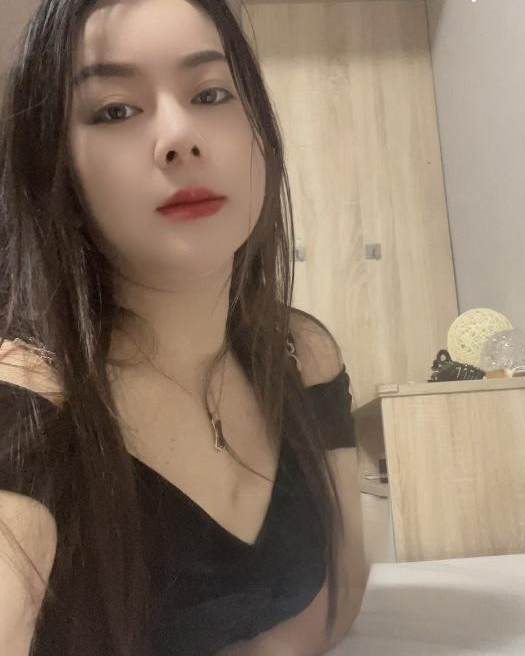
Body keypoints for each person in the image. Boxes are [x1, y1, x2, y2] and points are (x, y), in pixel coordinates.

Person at [0, 0, 368, 654]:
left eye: (211, 93)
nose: (179, 135)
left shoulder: (302, 355)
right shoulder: (25, 400)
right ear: (55, 170)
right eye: (115, 110)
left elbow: (335, 598)